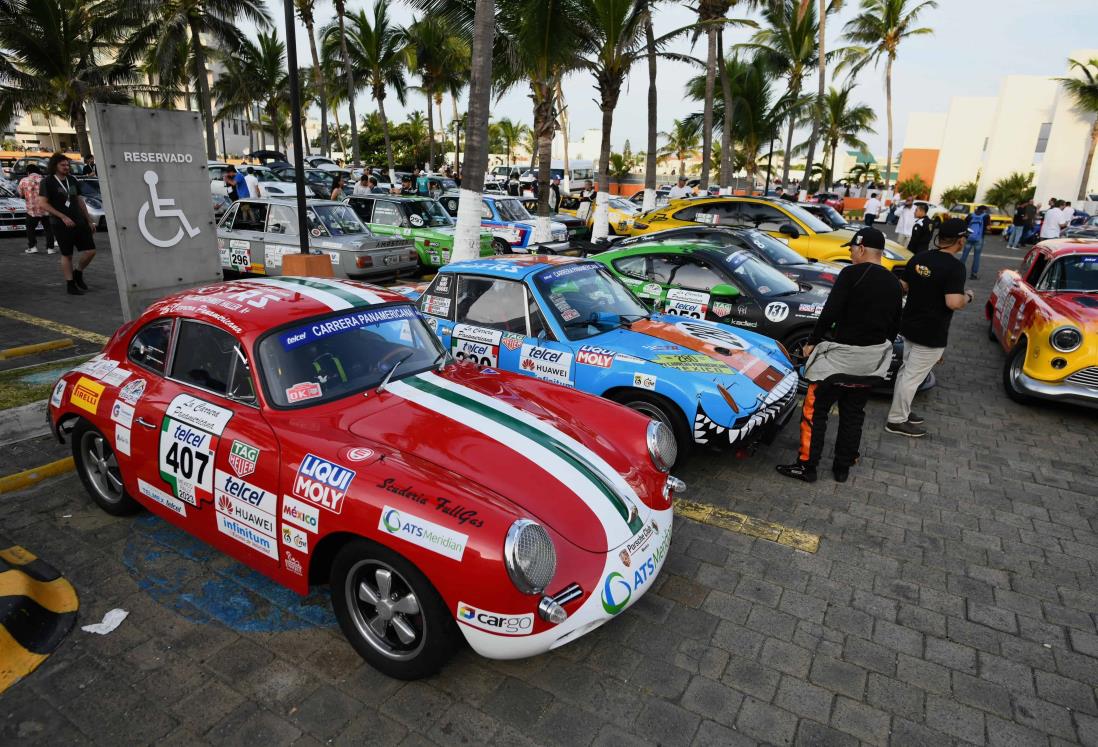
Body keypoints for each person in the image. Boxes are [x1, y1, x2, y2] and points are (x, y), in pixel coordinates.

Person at [776, 227, 903, 483]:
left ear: (862, 248)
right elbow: (894, 325)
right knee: (853, 413)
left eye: (853, 249)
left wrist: (812, 342)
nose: (852, 254)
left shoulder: (850, 274)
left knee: (815, 409)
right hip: (869, 362)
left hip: (838, 359)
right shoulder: (894, 283)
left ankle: (807, 465)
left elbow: (830, 312)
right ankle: (842, 467)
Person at [886, 218, 974, 437]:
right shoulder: (955, 267)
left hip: (909, 325)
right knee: (912, 376)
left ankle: (901, 412)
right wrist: (969, 297)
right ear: (960, 241)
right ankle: (896, 420)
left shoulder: (920, 257)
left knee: (907, 371)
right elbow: (953, 302)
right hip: (932, 331)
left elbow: (902, 287)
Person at [39, 153, 96, 295]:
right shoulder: (47, 182)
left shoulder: (71, 180)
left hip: (79, 220)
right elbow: (43, 203)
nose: (66, 167)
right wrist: (62, 216)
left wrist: (89, 220)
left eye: (67, 165)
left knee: (90, 251)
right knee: (67, 254)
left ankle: (78, 272)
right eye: (63, 165)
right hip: (60, 223)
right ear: (55, 166)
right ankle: (70, 284)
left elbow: (77, 200)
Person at [17, 164, 55, 254]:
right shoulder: (45, 180)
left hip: (31, 210)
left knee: (30, 229)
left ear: (28, 172)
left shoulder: (23, 181)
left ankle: (32, 247)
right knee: (48, 229)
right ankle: (50, 248)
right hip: (46, 209)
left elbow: (20, 194)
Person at [961, 205, 989, 279]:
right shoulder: (986, 216)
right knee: (976, 257)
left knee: (964, 255)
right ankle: (974, 274)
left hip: (969, 237)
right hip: (979, 238)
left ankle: (958, 271)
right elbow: (988, 227)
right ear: (984, 210)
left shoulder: (970, 215)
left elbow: (964, 224)